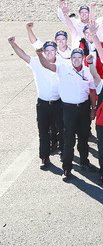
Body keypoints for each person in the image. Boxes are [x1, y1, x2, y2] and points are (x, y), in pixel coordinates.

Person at [36, 46, 97, 182]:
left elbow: (92, 91)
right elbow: (46, 65)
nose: (76, 60)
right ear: (70, 59)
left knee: (83, 138)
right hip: (68, 110)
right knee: (68, 140)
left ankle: (84, 161)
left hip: (83, 108)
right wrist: (40, 55)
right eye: (74, 57)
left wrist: (94, 108)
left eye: (79, 57)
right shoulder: (63, 68)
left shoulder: (87, 72)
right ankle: (67, 168)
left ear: (82, 59)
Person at [9, 35, 61, 170]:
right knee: (43, 132)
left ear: (56, 51)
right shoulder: (36, 62)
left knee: (63, 131)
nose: (49, 52)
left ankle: (65, 158)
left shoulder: (61, 64)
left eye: (52, 50)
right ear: (43, 52)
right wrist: (13, 44)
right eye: (46, 50)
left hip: (58, 104)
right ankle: (44, 157)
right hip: (43, 104)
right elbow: (23, 55)